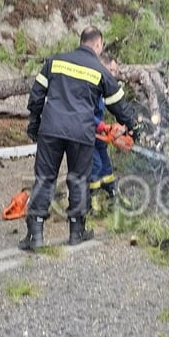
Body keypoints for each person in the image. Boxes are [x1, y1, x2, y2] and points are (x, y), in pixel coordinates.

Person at [21, 26, 136, 251]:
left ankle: (35, 235)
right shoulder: (99, 71)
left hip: (51, 129)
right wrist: (133, 128)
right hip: (81, 133)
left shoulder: (55, 62)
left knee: (45, 178)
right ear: (98, 45)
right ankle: (76, 231)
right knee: (78, 179)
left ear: (80, 41)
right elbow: (119, 105)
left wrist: (34, 124)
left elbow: (36, 96)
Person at [90, 53, 120, 210]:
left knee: (106, 166)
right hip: (87, 133)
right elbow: (85, 112)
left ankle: (112, 197)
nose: (113, 75)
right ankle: (92, 203)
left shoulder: (103, 87)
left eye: (115, 71)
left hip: (98, 133)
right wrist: (102, 126)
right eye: (111, 70)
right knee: (95, 166)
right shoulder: (91, 85)